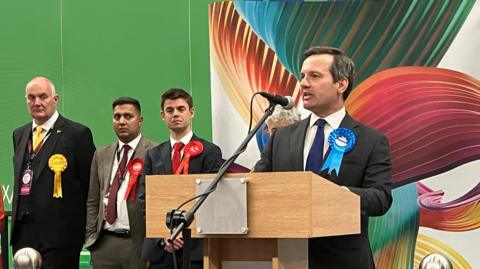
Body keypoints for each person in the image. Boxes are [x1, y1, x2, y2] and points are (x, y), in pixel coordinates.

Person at [254, 47, 393, 269]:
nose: (304, 84)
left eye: (315, 76)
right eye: (302, 76)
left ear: (341, 84)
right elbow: (256, 188)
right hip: (287, 259)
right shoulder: (281, 137)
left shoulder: (371, 141)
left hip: (344, 261)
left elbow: (381, 197)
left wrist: (339, 195)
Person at [11, 77, 96, 268]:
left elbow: (89, 187)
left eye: (43, 97)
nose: (37, 102)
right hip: (23, 233)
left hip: (61, 238)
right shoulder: (19, 134)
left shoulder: (77, 134)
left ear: (55, 99)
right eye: (31, 98)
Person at [138, 88, 223, 269]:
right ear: (163, 115)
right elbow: (145, 199)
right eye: (170, 110)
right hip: (161, 248)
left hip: (196, 249)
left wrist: (182, 233)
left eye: (181, 109)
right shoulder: (153, 155)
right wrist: (164, 234)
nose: (175, 114)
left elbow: (212, 200)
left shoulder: (210, 152)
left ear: (191, 112)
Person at [85, 97, 156, 268]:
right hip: (103, 245)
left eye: (128, 116)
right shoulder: (101, 154)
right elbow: (93, 200)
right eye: (117, 117)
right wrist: (91, 237)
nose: (122, 121)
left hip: (137, 244)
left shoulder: (155, 152)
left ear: (140, 120)